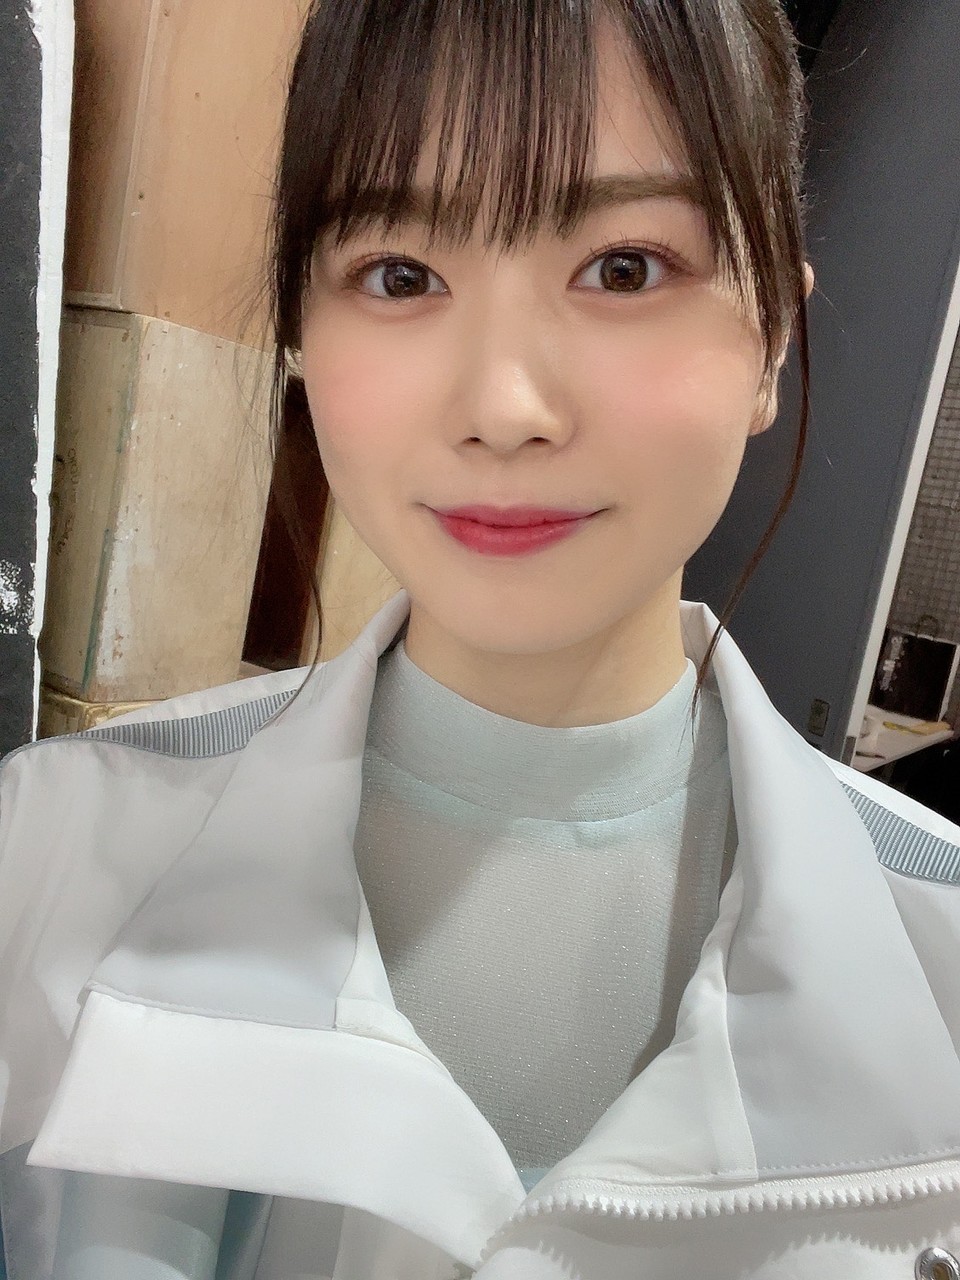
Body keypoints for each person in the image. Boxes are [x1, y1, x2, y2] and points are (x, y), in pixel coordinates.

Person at [1, 0, 959, 1276]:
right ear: (302, 329)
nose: (504, 407)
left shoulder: (939, 942)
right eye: (401, 275)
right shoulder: (43, 852)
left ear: (773, 333)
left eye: (625, 268)